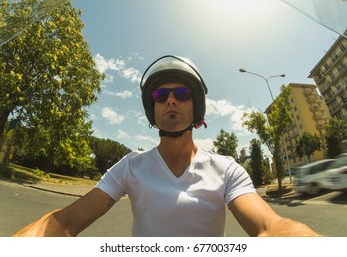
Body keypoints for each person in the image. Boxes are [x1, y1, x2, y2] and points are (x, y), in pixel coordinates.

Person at [12, 55, 321, 237]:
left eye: (182, 93)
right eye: (161, 96)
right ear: (153, 109)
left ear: (196, 108)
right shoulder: (130, 165)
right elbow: (64, 223)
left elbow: (269, 226)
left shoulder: (226, 168)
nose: (171, 99)